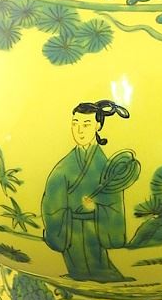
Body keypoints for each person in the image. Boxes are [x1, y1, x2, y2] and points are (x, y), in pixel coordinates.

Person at [41, 99, 138, 282]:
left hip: (95, 227)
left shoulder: (103, 165)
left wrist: (96, 207)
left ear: (97, 126)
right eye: (75, 124)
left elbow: (114, 199)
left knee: (100, 266)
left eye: (86, 124)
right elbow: (52, 202)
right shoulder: (64, 166)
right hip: (70, 228)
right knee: (78, 268)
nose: (79, 130)